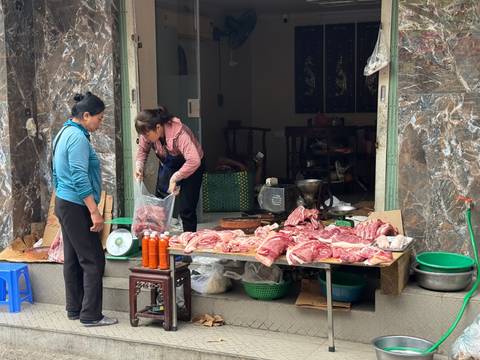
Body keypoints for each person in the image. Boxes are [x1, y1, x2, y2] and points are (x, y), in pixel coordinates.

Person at [53, 92, 117, 327]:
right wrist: (94, 211)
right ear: (86, 115)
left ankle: (74, 308)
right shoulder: (78, 138)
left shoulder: (63, 132)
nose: (100, 123)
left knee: (72, 258)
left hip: (65, 202)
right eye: (99, 118)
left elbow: (55, 172)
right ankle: (91, 315)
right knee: (93, 259)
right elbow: (79, 176)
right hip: (76, 205)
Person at [135, 107, 204, 232]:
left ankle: (188, 242)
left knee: (186, 208)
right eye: (143, 135)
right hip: (170, 164)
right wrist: (139, 167)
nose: (145, 137)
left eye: (147, 134)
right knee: (159, 206)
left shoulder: (179, 133)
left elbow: (194, 160)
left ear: (158, 127)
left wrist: (176, 177)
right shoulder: (147, 133)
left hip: (193, 166)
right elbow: (142, 151)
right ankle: (159, 240)